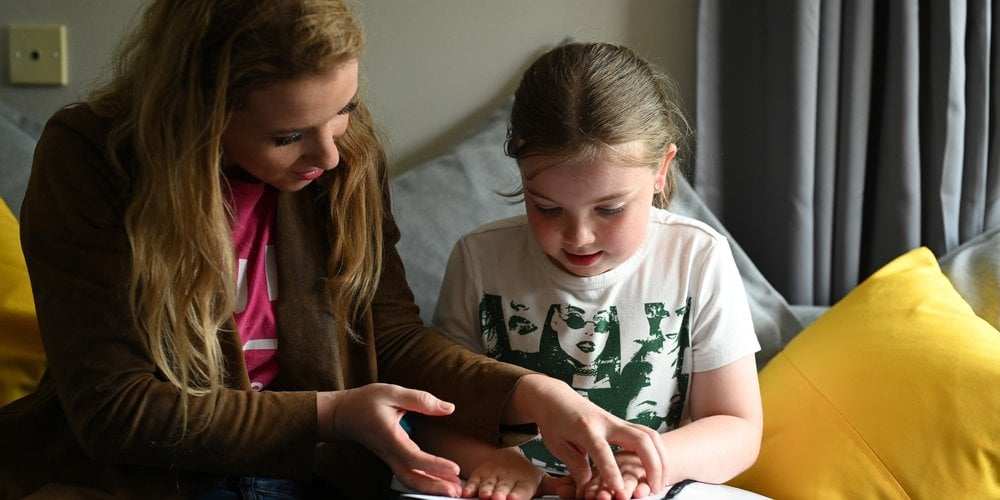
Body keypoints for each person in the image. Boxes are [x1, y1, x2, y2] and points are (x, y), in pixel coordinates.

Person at [0, 4, 670, 499]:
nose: (329, 153)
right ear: (198, 112)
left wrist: (533, 392)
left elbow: (390, 336)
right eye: (288, 134)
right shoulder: (93, 160)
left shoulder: (340, 158)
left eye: (344, 109)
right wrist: (332, 415)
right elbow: (116, 410)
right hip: (143, 480)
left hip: (318, 475)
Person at [424, 42, 763, 499]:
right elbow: (435, 415)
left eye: (610, 209)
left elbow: (738, 429)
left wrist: (642, 464)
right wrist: (490, 461)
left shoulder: (697, 257)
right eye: (546, 208)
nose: (578, 236)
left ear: (662, 169)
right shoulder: (479, 259)